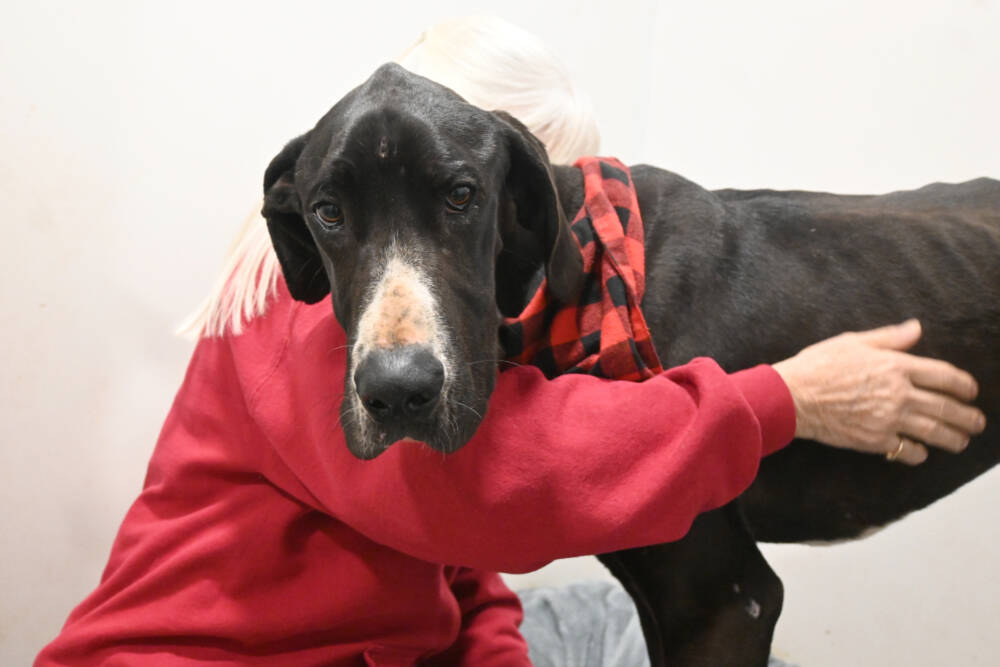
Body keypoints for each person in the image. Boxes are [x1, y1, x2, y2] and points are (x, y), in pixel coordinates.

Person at [36, 16, 985, 667]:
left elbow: (456, 560)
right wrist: (791, 398)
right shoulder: (303, 322)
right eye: (473, 199)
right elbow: (511, 483)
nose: (533, 250)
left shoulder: (446, 324)